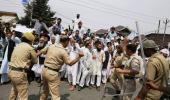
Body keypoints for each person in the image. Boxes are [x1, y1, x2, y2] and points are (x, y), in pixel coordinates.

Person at [39, 35, 84, 100]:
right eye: (68, 43)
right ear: (66, 42)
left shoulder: (51, 46)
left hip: (44, 71)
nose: (68, 44)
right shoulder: (63, 51)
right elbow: (70, 63)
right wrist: (79, 57)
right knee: (55, 96)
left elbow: (41, 51)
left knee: (45, 91)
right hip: (52, 73)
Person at [8, 32, 37, 100]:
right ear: (30, 40)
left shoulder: (18, 46)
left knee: (14, 91)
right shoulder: (30, 48)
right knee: (23, 96)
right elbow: (35, 61)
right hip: (20, 74)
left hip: (11, 71)